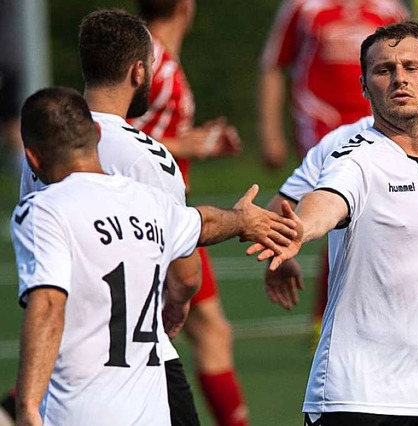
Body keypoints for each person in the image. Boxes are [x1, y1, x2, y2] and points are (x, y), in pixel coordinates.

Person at [250, 22, 418, 426]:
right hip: (356, 400)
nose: (399, 78)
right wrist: (298, 229)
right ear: (364, 86)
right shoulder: (355, 160)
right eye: (384, 70)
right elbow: (326, 204)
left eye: (411, 66)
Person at [11, 87, 296, 426]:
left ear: (32, 158)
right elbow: (204, 222)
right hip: (150, 415)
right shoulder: (151, 203)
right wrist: (244, 221)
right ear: (98, 134)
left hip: (77, 413)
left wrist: (27, 405)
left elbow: (48, 305)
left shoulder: (43, 210)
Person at [6, 8, 206, 426]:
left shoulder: (49, 139)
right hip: (136, 361)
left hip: (61, 360)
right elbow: (186, 274)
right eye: (150, 65)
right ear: (138, 71)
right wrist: (178, 305)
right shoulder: (150, 156)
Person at [258, 0, 408, 338]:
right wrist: (270, 130)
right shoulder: (304, 7)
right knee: (338, 212)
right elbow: (273, 65)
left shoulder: (389, 8)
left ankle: (352, 316)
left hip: (383, 122)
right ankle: (331, 320)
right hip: (321, 122)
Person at [129, 1, 247, 424]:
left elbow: (144, 133)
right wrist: (186, 145)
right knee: (203, 331)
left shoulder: (156, 53)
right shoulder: (150, 56)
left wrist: (195, 140)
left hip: (166, 212)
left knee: (202, 331)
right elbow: (111, 132)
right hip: (155, 217)